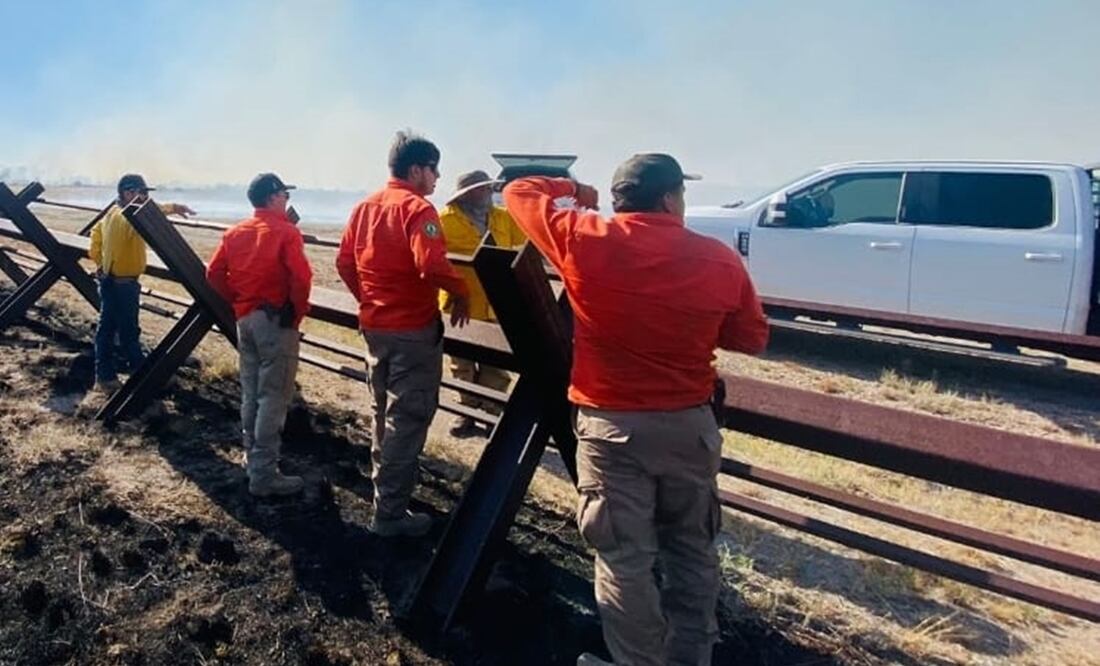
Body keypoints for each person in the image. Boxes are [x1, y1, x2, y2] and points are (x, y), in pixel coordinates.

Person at [503, 154, 769, 666]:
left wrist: (574, 191)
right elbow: (751, 337)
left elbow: (520, 192)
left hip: (611, 429)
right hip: (689, 427)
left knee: (624, 559)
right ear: (670, 199)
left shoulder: (581, 238)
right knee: (691, 552)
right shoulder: (718, 259)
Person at [336, 131, 470, 537]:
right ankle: (390, 516)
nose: (437, 177)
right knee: (407, 420)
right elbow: (431, 267)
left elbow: (344, 263)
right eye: (434, 169)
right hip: (412, 331)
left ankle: (385, 498)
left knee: (382, 415)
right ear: (416, 169)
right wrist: (461, 290)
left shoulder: (364, 207)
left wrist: (372, 301)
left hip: (375, 328)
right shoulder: (418, 209)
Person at [206, 173, 313, 498]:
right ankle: (264, 475)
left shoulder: (235, 232)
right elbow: (301, 278)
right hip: (276, 323)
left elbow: (213, 274)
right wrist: (295, 313)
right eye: (285, 196)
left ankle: (252, 456)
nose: (287, 201)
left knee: (251, 393)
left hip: (246, 320)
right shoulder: (285, 232)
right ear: (273, 197)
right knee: (274, 397)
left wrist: (238, 300)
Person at [438, 169, 526, 437]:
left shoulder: (505, 218)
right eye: (482, 188)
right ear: (465, 194)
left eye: (489, 188)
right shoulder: (443, 220)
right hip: (458, 305)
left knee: (496, 366)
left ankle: (491, 413)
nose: (488, 192)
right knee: (461, 364)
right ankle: (465, 414)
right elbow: (435, 262)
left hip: (498, 305)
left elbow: (523, 253)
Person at [88, 174, 195, 391]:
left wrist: (101, 263)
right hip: (124, 284)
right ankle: (145, 377)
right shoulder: (127, 217)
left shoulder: (112, 214)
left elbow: (95, 237)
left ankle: (106, 376)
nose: (145, 198)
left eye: (146, 194)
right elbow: (148, 215)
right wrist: (173, 207)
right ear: (128, 193)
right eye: (142, 193)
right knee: (128, 332)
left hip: (110, 280)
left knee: (107, 330)